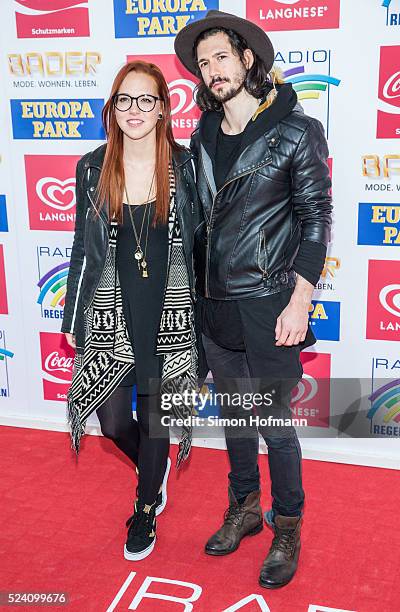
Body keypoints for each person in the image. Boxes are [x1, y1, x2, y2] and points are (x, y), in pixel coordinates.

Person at [174, 10, 332, 588]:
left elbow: (316, 221)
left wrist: (300, 300)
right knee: (236, 419)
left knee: (273, 424)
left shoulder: (296, 128)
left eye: (222, 56)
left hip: (269, 303)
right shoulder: (202, 135)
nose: (213, 69)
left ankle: (286, 523)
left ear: (248, 60)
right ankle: (244, 507)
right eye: (204, 61)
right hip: (213, 303)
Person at [62, 60, 202, 561]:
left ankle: (145, 507)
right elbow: (84, 247)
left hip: (170, 311)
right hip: (112, 309)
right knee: (114, 421)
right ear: (112, 109)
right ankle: (153, 468)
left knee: (159, 419)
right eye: (124, 99)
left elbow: (201, 244)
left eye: (146, 99)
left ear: (164, 109)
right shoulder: (92, 166)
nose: (134, 109)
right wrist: (74, 318)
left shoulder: (185, 166)